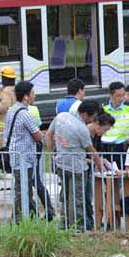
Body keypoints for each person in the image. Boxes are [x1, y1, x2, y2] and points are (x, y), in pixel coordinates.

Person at [45, 99, 105, 231]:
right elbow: (91, 150)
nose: (93, 119)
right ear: (85, 114)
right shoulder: (82, 129)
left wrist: (51, 154)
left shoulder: (61, 117)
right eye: (93, 116)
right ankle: (77, 227)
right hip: (77, 168)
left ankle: (64, 224)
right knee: (77, 198)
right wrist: (101, 165)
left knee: (65, 196)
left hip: (61, 163)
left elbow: (48, 135)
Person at [4, 81, 45, 221]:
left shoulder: (11, 110)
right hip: (24, 158)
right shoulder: (25, 114)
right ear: (26, 96)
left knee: (22, 188)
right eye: (33, 93)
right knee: (23, 190)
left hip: (14, 155)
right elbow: (38, 135)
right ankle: (19, 219)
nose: (35, 96)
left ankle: (28, 216)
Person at [101, 82, 129, 169]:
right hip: (106, 147)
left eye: (123, 95)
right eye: (118, 95)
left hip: (123, 147)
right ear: (111, 95)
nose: (122, 98)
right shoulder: (103, 108)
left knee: (124, 175)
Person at [0, 66, 17, 133]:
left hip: (3, 128)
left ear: (4, 79)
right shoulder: (13, 89)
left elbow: (3, 107)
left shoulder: (6, 91)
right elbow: (0, 94)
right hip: (10, 124)